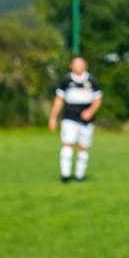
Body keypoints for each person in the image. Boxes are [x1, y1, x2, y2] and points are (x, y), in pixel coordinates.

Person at [49, 55, 103, 183]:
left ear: (86, 65)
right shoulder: (66, 80)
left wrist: (90, 111)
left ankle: (79, 175)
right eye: (76, 64)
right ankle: (65, 175)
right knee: (68, 143)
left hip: (86, 120)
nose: (78, 67)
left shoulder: (92, 81)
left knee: (83, 147)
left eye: (81, 64)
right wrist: (53, 117)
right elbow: (59, 99)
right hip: (69, 117)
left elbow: (98, 100)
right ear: (71, 66)